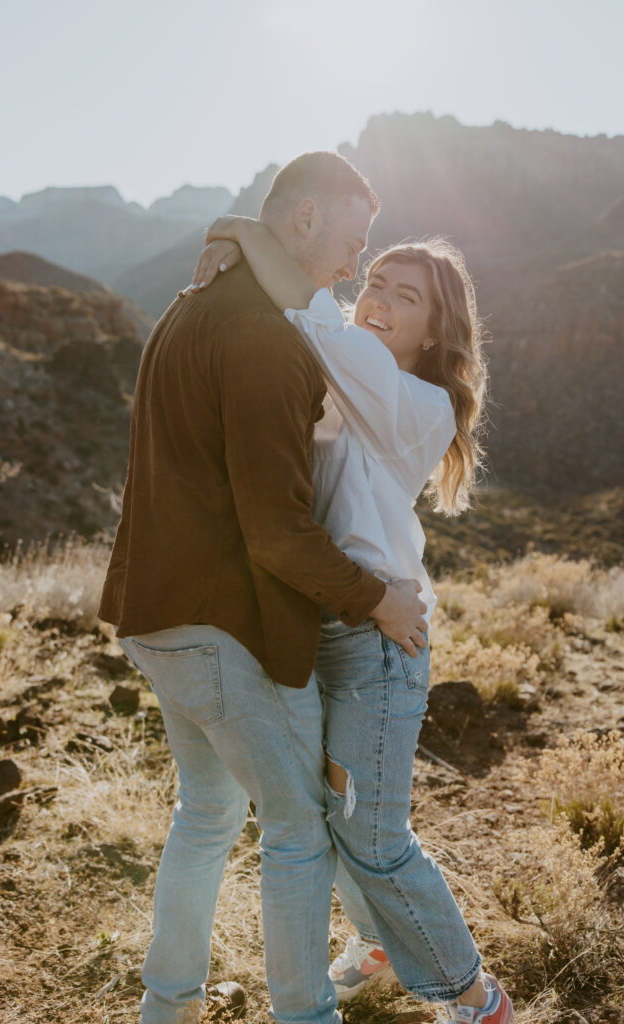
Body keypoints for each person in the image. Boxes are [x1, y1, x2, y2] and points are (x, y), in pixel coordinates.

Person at [97, 151, 430, 1024]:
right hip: (222, 627)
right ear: (307, 220)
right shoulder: (263, 343)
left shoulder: (190, 305)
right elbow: (279, 532)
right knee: (296, 829)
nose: (354, 267)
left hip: (154, 613)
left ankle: (166, 1008)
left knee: (206, 815)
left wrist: (231, 235)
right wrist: (378, 599)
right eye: (352, 242)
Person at [191, 220, 514, 1024]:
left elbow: (307, 314)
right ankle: (376, 941)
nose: (377, 300)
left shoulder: (417, 400)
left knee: (373, 838)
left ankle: (477, 999)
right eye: (374, 282)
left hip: (378, 637)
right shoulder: (346, 383)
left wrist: (239, 232)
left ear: (436, 330)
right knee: (332, 817)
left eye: (405, 297)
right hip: (326, 622)